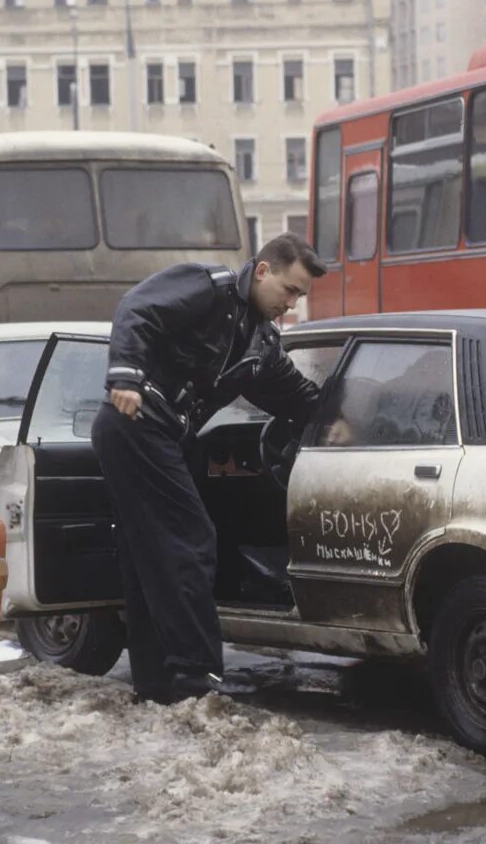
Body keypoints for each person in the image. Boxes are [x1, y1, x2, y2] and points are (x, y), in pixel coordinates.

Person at [91, 233, 326, 704]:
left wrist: (337, 422)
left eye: (300, 296)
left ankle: (158, 684)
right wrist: (126, 375)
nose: (292, 304)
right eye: (289, 291)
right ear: (262, 271)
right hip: (136, 422)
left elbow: (296, 396)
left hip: (161, 437)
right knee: (190, 540)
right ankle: (199, 679)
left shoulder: (260, 342)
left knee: (148, 557)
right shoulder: (209, 287)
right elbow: (138, 308)